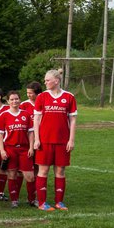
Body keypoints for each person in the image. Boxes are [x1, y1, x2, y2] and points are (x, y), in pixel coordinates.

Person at [33, 68, 77, 211]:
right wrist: (36, 139)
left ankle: (59, 202)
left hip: (62, 141)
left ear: (56, 81)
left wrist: (71, 140)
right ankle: (42, 203)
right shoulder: (42, 97)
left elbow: (73, 120)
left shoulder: (69, 97)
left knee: (60, 171)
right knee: (43, 171)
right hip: (45, 141)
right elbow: (37, 119)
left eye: (47, 80)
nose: (45, 82)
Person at [0, 91, 35, 209]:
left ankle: (32, 200)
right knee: (12, 174)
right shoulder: (3, 115)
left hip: (24, 149)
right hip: (10, 149)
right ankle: (14, 200)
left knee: (29, 176)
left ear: (20, 100)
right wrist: (2, 151)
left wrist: (31, 147)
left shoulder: (26, 114)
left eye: (16, 99)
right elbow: (0, 135)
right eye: (12, 99)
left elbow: (30, 133)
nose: (14, 101)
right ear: (8, 101)